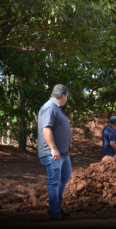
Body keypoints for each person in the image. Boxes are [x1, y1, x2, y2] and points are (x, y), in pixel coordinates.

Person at [37, 84, 72, 220]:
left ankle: (56, 205)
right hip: (53, 153)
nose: (66, 99)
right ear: (63, 96)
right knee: (54, 181)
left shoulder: (57, 108)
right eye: (67, 96)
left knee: (65, 177)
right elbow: (46, 129)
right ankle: (55, 210)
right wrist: (53, 148)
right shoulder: (50, 107)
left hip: (63, 153)